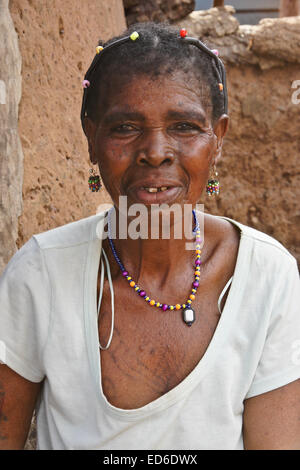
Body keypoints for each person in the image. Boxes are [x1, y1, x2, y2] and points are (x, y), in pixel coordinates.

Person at [0, 22, 299, 451]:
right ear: (91, 138)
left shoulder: (265, 276)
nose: (155, 151)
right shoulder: (42, 273)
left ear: (218, 141)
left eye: (183, 127)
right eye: (125, 127)